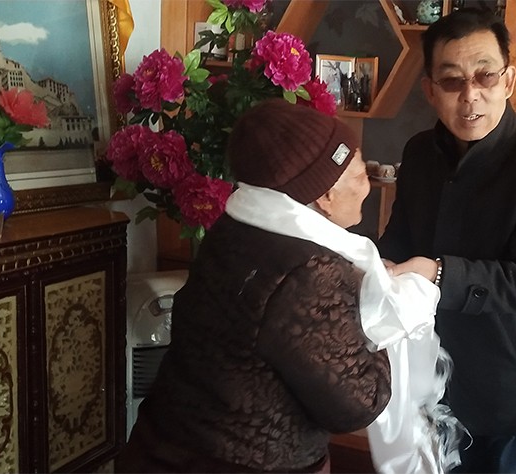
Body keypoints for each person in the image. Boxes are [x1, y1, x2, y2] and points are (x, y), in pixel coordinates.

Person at [117, 99, 392, 473]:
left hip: (164, 445)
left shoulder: (237, 226)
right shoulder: (310, 270)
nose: (368, 187)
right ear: (326, 196)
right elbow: (358, 403)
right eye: (360, 176)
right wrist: (386, 311)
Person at [378, 8, 516, 473]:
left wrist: (437, 272)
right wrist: (375, 265)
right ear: (430, 90)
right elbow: (401, 237)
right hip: (439, 378)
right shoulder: (419, 153)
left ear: (508, 81)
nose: (471, 96)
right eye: (452, 81)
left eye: (485, 76)